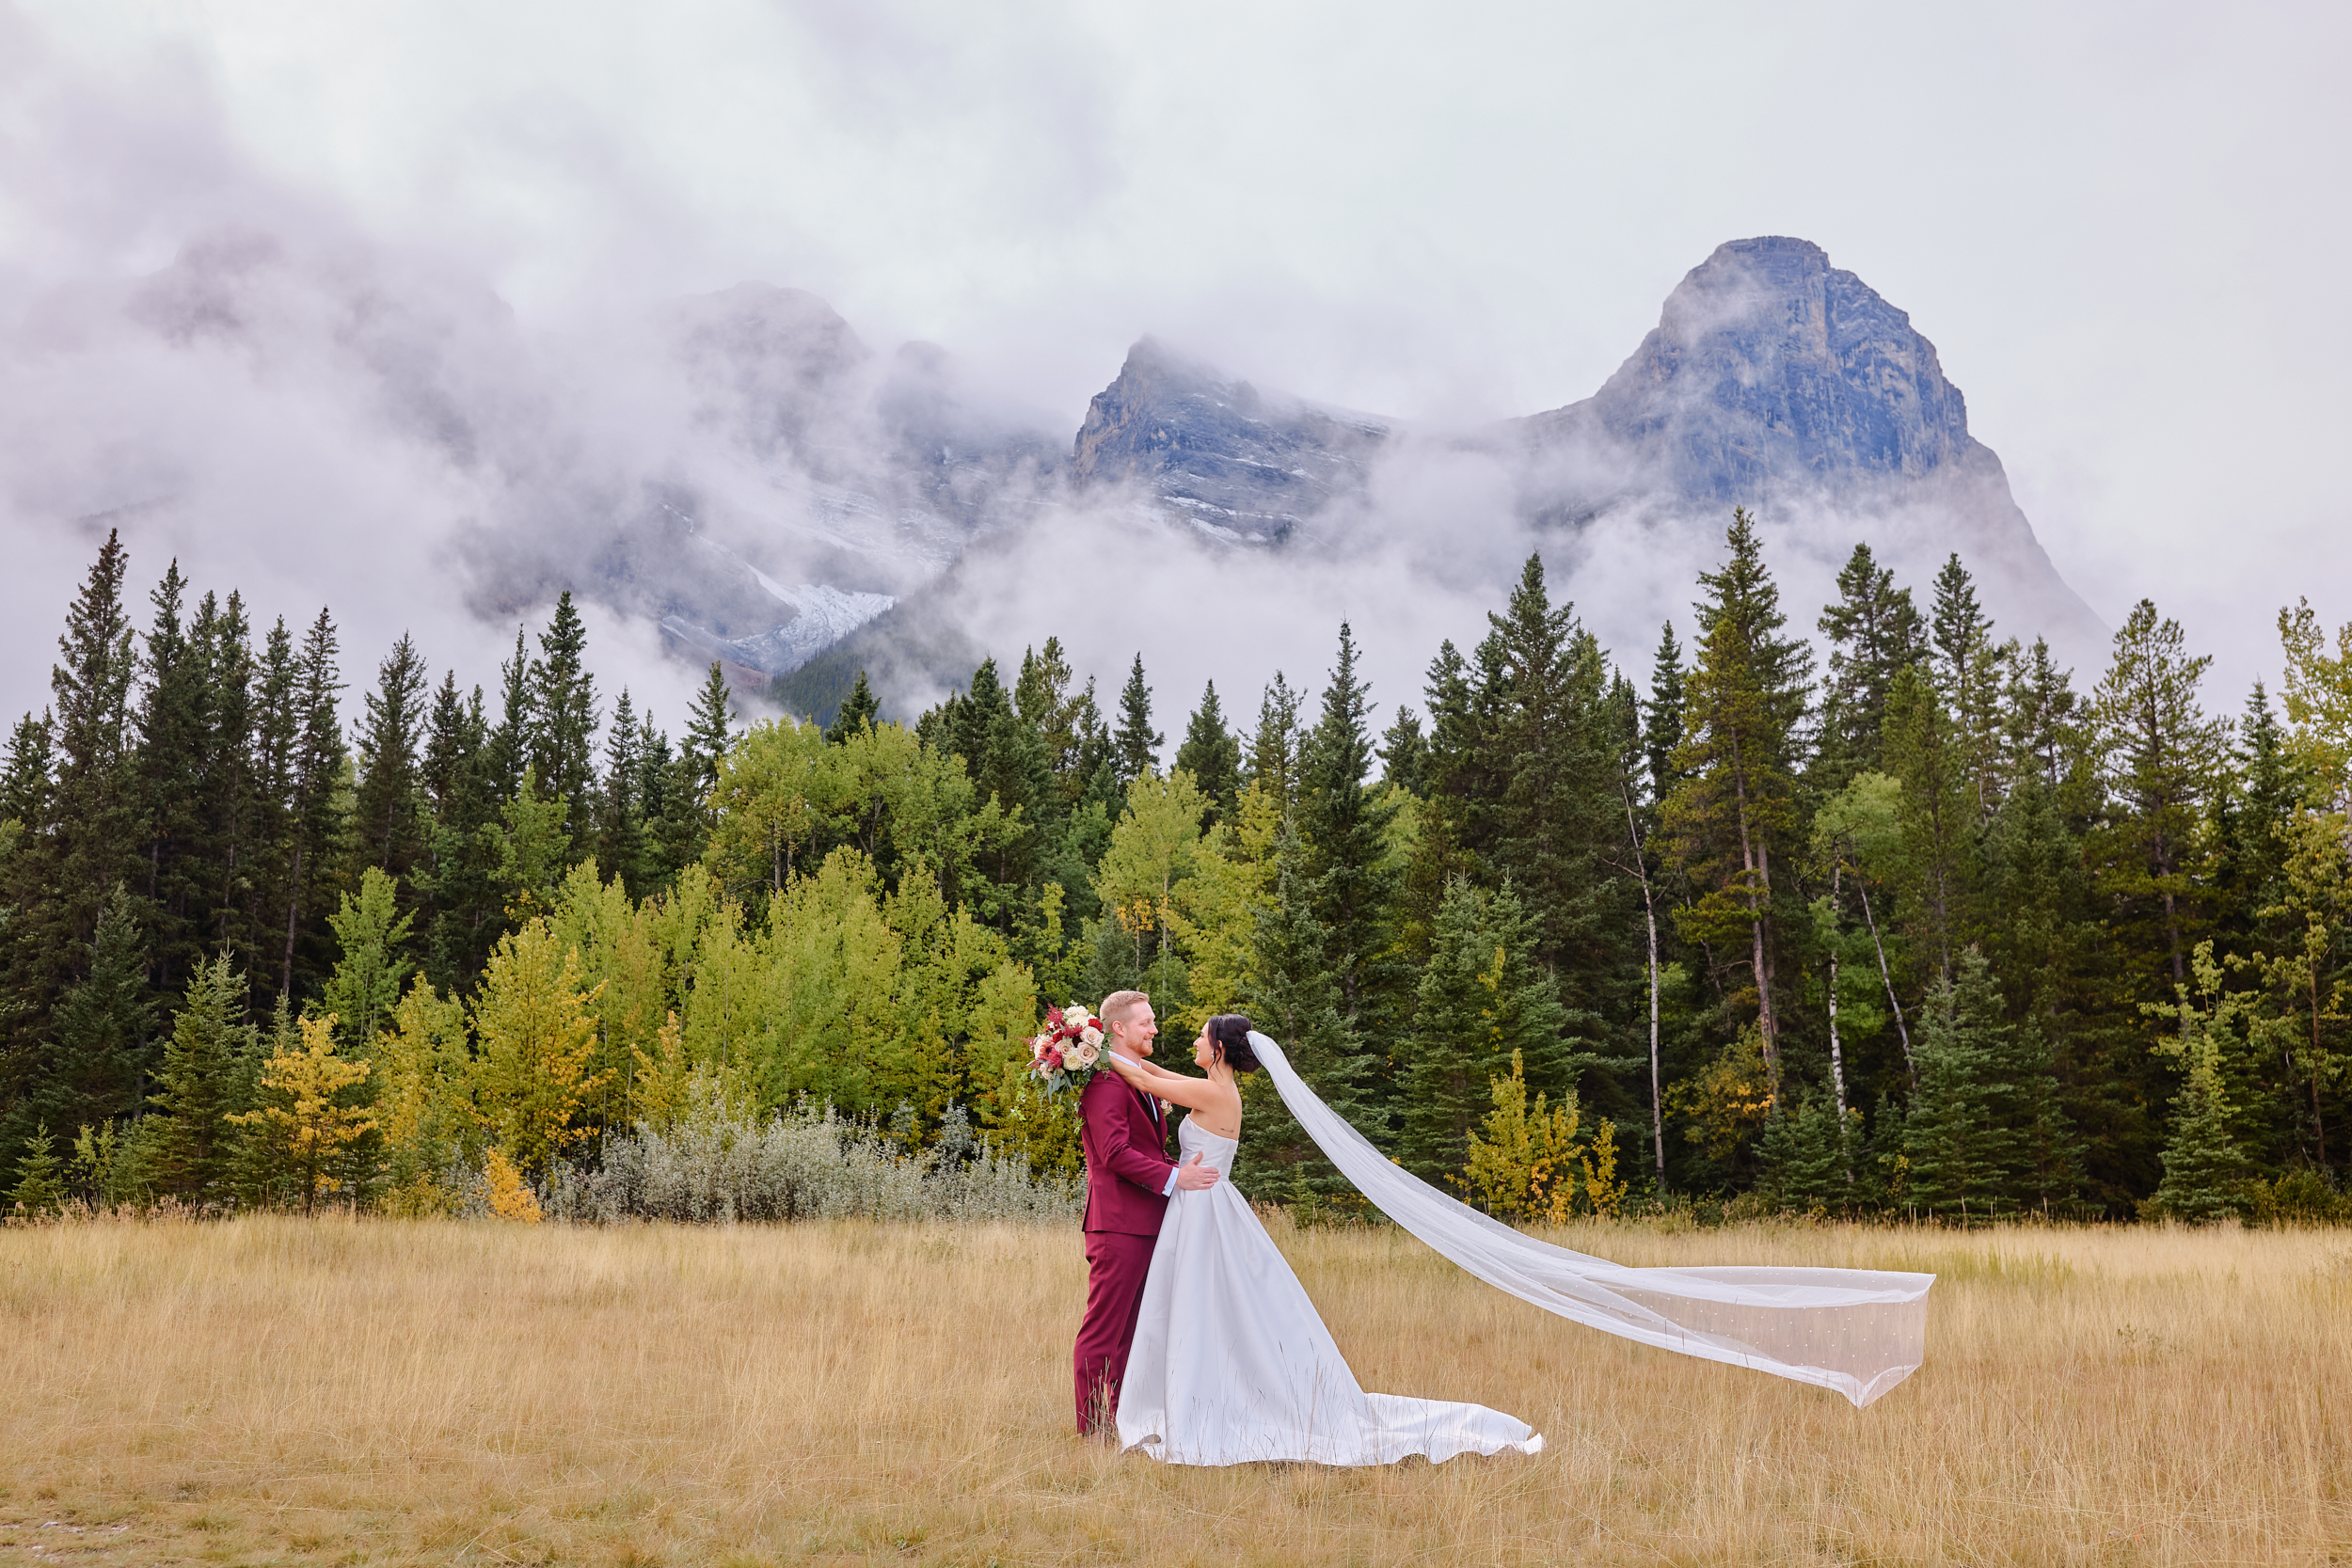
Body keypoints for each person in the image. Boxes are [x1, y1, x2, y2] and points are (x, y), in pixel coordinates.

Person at [1103, 1012, 1543, 1466]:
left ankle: (1209, 1401)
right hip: (1204, 1206)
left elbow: (1140, 1076)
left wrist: (1087, 1050)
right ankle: (1204, 1390)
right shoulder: (1217, 1088)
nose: (1193, 1040)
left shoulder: (1212, 1092)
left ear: (1217, 1049)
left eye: (1201, 1036)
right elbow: (1153, 1072)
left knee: (1203, 1304)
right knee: (1214, 1306)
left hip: (1204, 1209)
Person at [1072, 990, 1219, 1435]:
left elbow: (1145, 1149)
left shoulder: (1134, 1080)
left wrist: (1179, 1168)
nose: (1154, 1029)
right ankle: (1091, 1430)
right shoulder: (1105, 1084)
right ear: (1118, 1028)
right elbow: (1114, 1152)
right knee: (1103, 1331)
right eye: (1146, 1022)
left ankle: (1119, 1420)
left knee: (1132, 1333)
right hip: (1117, 1226)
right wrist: (1176, 1180)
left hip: (1146, 1225)